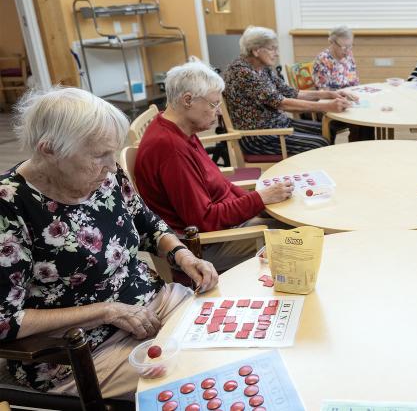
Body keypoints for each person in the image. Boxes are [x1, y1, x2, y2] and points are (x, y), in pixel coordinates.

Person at [0, 88, 218, 399]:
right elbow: (5, 319)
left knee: (225, 338)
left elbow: (147, 223)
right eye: (99, 155)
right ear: (48, 150)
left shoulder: (105, 177)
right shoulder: (9, 206)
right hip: (81, 350)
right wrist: (106, 311)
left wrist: (182, 255)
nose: (113, 167)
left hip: (153, 305)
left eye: (113, 153)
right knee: (199, 376)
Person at [135, 59, 293, 272]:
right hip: (206, 247)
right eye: (213, 104)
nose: (218, 112)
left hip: (223, 229)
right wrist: (260, 199)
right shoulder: (170, 149)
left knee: (290, 219)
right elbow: (205, 220)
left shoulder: (181, 129)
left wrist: (259, 202)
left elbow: (221, 185)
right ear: (188, 100)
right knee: (299, 235)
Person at [223, 26, 358, 155]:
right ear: (256, 50)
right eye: (272, 49)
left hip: (277, 124)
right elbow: (282, 103)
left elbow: (290, 92)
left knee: (329, 128)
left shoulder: (261, 68)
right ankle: (308, 175)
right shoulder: (242, 72)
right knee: (320, 144)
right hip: (258, 136)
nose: (277, 53)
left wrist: (329, 94)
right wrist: (326, 105)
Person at [312, 25, 359, 90]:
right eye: (344, 47)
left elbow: (355, 82)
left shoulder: (349, 54)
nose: (347, 51)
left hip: (350, 96)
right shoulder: (323, 60)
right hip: (332, 98)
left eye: (350, 46)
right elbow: (324, 91)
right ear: (332, 43)